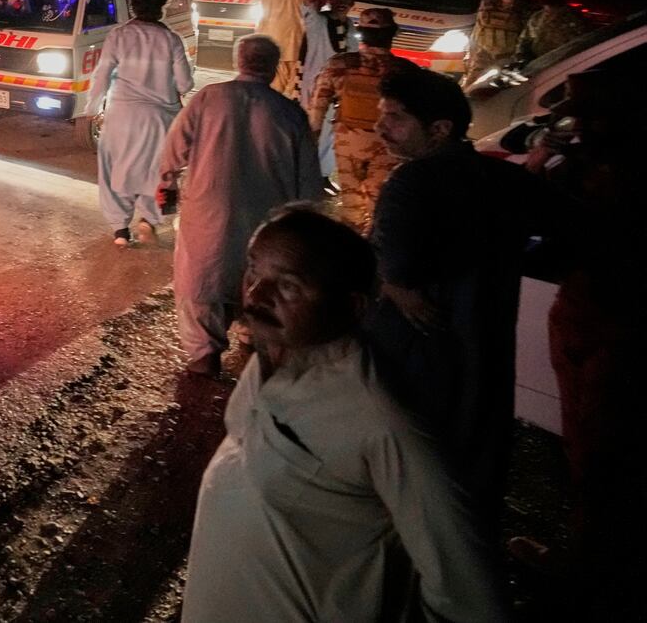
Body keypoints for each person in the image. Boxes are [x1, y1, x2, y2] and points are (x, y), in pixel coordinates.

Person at [182, 207, 508, 623]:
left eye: (289, 286)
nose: (256, 296)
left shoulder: (383, 418)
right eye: (253, 272)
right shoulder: (273, 353)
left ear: (352, 307)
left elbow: (469, 589)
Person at [365, 65, 547, 525]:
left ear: (439, 129)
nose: (380, 127)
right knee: (475, 465)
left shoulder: (412, 184)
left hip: (420, 351)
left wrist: (388, 284)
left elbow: (392, 268)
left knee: (416, 472)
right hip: (486, 342)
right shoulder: (501, 178)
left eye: (396, 118)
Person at [522, 71, 645, 620]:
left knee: (596, 459)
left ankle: (586, 579)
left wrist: (541, 158)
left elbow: (534, 212)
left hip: (603, 323)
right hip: (605, 319)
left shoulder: (602, 175)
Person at [157, 35, 321, 375]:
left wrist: (167, 184)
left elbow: (173, 151)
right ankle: (252, 345)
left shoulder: (208, 98)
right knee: (258, 288)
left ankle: (205, 361)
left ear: (239, 61)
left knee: (202, 286)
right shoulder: (290, 113)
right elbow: (309, 186)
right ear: (275, 68)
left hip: (208, 215)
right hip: (267, 224)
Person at [88, 0, 193, 246]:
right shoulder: (171, 39)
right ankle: (148, 220)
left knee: (113, 172)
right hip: (160, 119)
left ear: (133, 6)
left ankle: (120, 231)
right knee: (154, 173)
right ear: (162, 7)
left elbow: (101, 75)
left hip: (121, 115)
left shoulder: (118, 36)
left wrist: (92, 108)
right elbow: (185, 84)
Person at [306, 7, 414, 232]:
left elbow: (317, 109)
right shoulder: (406, 72)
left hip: (348, 146)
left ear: (361, 33)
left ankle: (350, 248)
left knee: (351, 204)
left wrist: (310, 145)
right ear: (392, 33)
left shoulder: (339, 65)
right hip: (389, 146)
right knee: (381, 205)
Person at [300, 0, 353, 184]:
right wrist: (309, 2)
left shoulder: (348, 26)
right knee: (312, 128)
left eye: (346, 2)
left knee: (331, 132)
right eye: (338, 1)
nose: (342, 6)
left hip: (338, 88)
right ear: (330, 2)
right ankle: (306, 171)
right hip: (315, 85)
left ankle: (322, 175)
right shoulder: (320, 21)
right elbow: (308, 15)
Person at [463, 0, 530, 85]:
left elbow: (527, 38)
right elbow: (478, 30)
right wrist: (470, 54)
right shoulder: (488, 5)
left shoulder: (525, 10)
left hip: (508, 58)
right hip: (483, 56)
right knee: (470, 87)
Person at [254, 0, 305, 98]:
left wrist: (257, 39)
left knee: (275, 88)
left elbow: (263, 19)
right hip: (296, 45)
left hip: (275, 45)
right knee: (293, 88)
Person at [514, 0, 588, 63]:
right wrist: (521, 57)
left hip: (561, 65)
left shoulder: (573, 17)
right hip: (537, 65)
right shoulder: (536, 17)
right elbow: (524, 40)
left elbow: (580, 45)